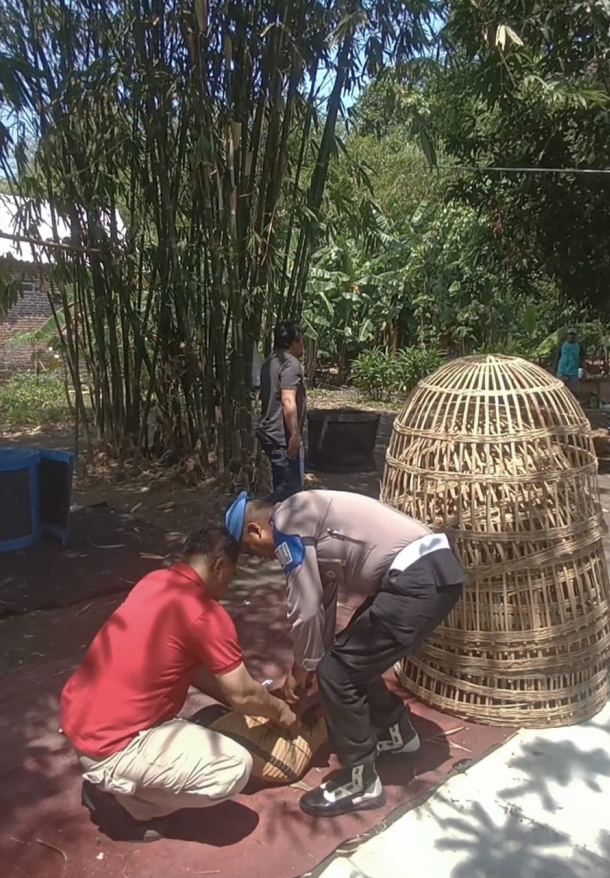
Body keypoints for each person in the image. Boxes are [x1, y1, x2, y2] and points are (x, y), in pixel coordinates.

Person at [224, 489, 464, 818]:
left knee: (337, 673)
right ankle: (398, 734)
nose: (263, 558)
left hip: (415, 581)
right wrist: (305, 664)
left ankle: (360, 780)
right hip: (432, 571)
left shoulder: (287, 523)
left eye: (253, 551)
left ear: (255, 530)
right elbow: (322, 599)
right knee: (347, 661)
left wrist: (305, 668)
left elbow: (305, 608)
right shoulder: (306, 512)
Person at [60, 523, 296, 843]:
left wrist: (244, 702)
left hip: (81, 724)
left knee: (199, 722)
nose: (228, 585)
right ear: (218, 566)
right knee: (233, 769)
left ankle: (118, 785)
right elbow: (242, 692)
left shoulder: (154, 581)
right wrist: (279, 711)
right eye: (232, 576)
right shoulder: (205, 614)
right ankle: (126, 806)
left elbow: (203, 675)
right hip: (110, 747)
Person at [257, 321, 307, 503]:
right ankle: (253, 513)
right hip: (281, 436)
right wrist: (294, 434)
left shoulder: (270, 361)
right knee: (291, 489)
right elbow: (287, 399)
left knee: (282, 485)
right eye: (302, 341)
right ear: (295, 341)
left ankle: (276, 526)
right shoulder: (290, 364)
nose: (303, 346)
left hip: (268, 432)